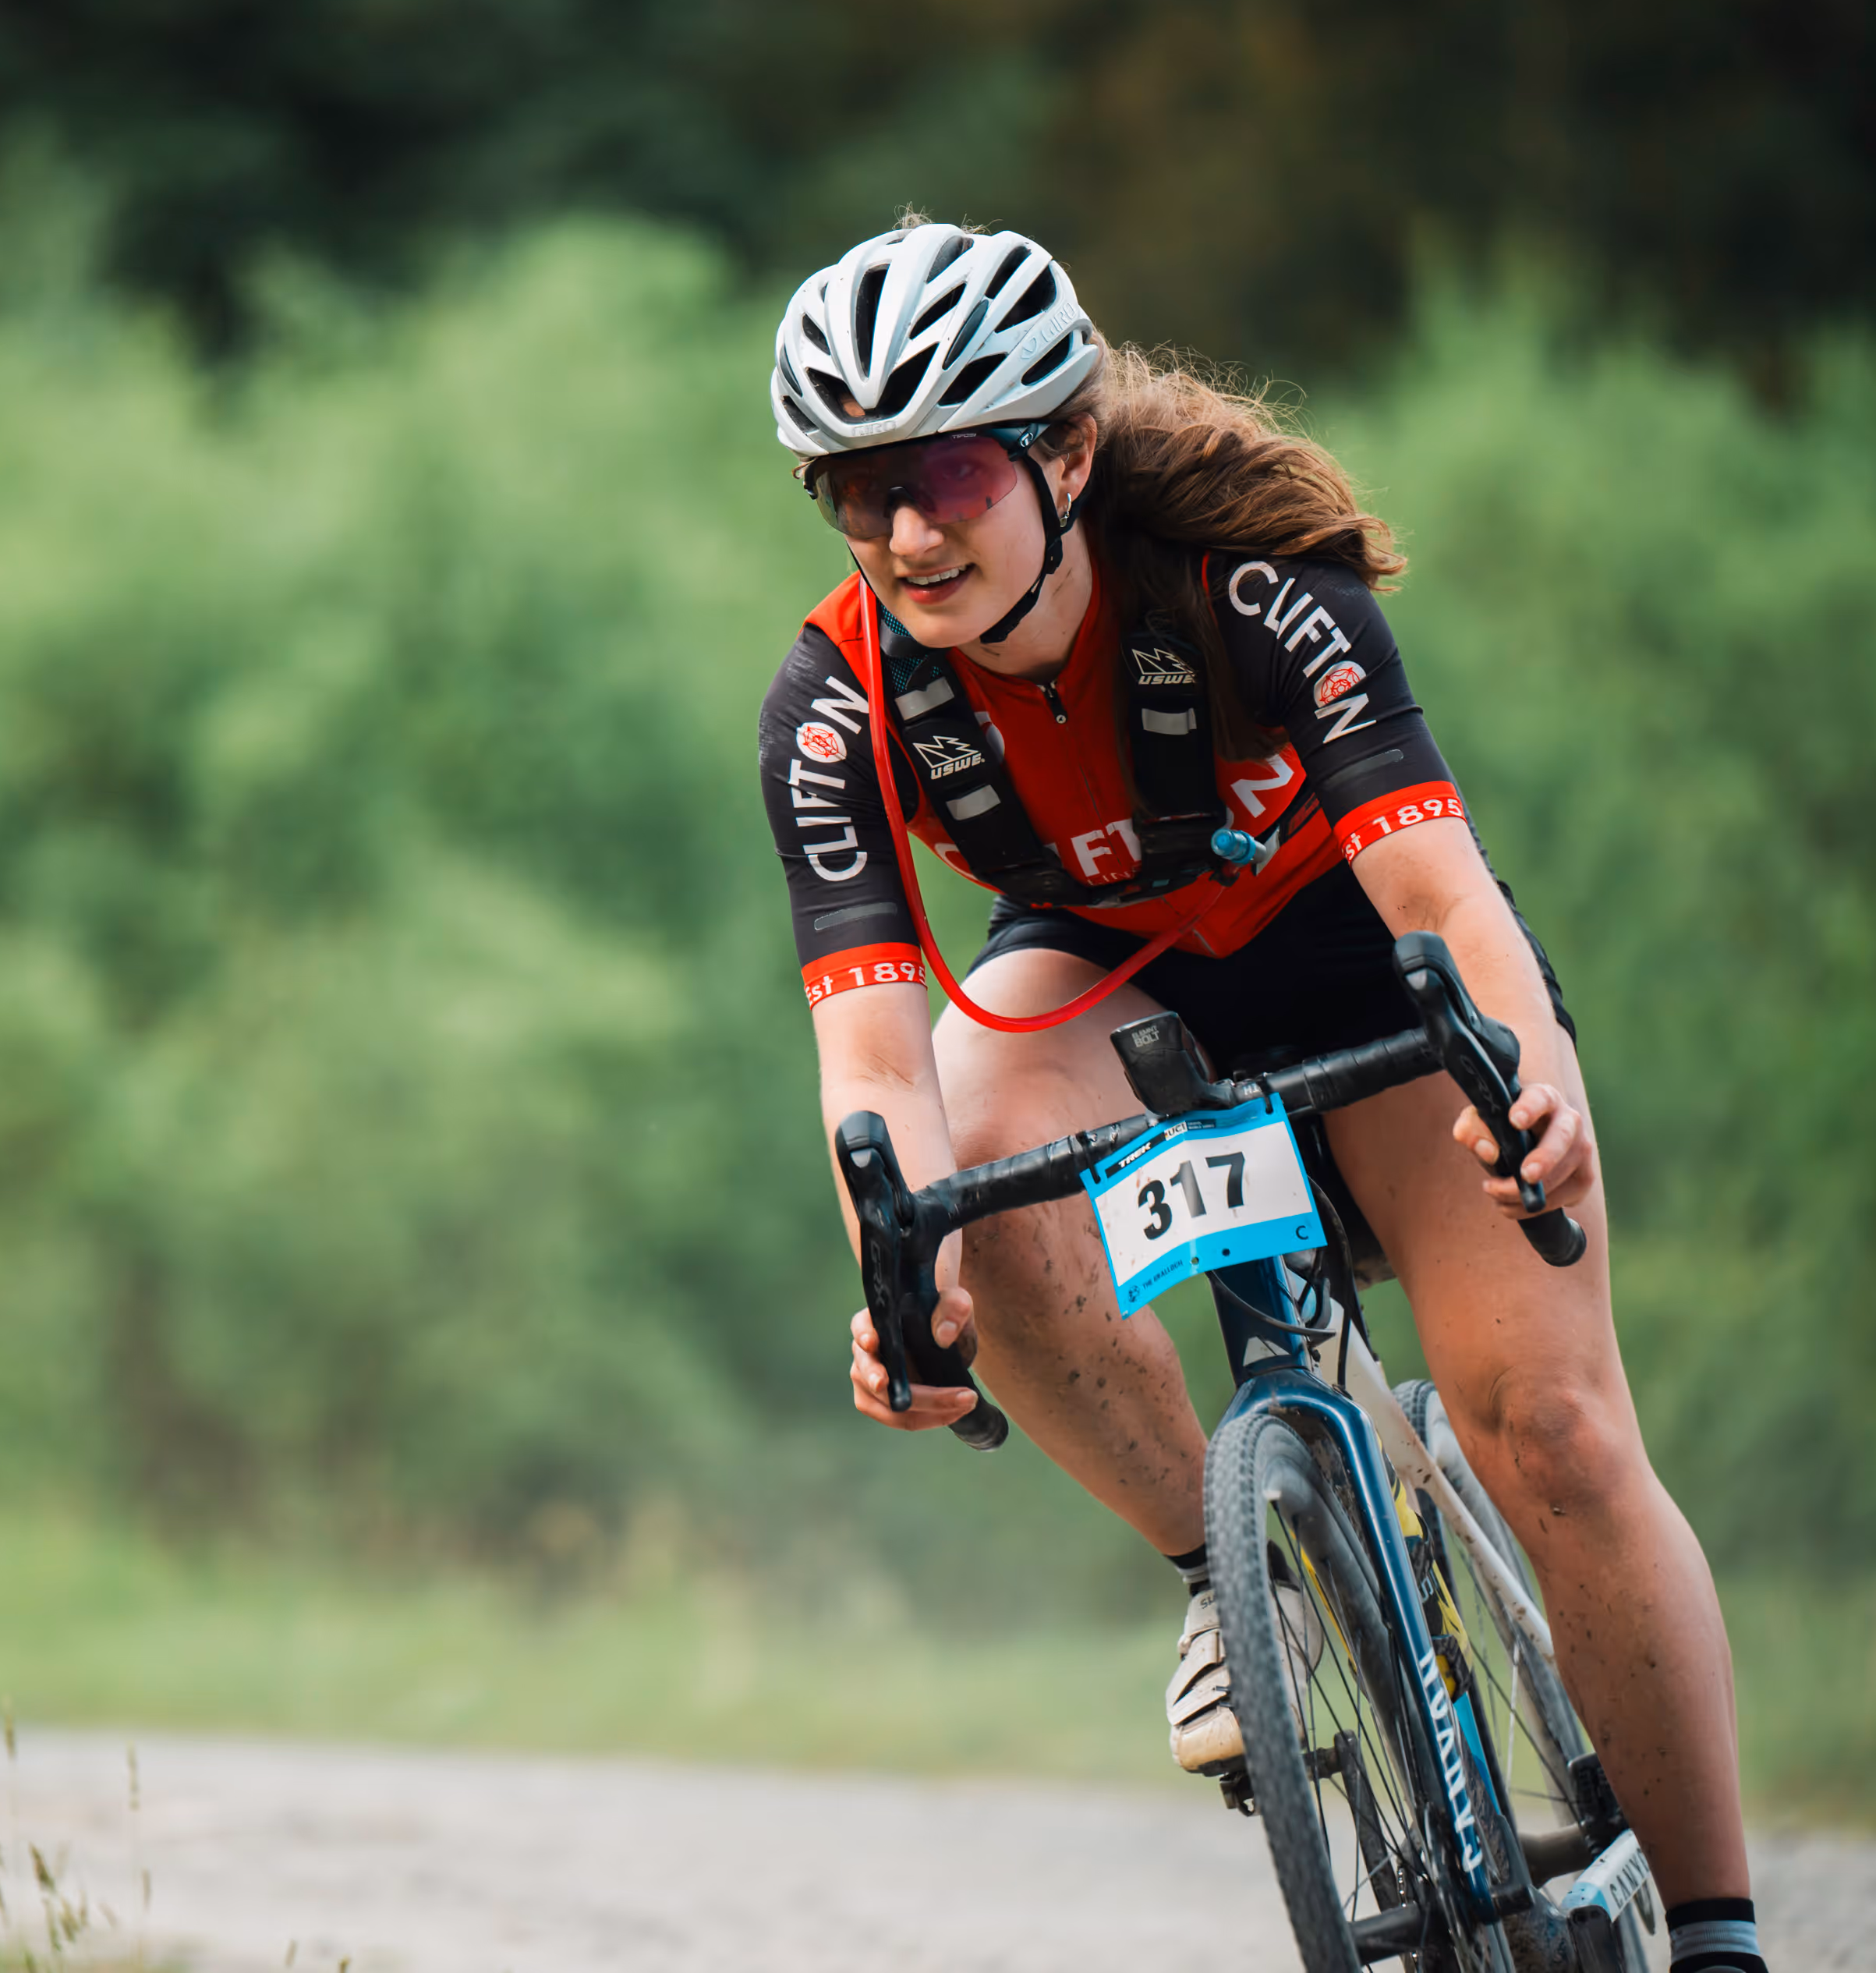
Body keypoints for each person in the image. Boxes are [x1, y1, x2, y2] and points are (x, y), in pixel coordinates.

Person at [757, 220, 1768, 1973]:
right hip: (1108, 971)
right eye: (859, 490)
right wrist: (901, 1283)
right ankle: (1235, 1578)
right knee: (963, 1184)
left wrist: (1529, 1088)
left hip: (1361, 955)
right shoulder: (833, 703)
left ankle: (1717, 1934)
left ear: (1067, 454)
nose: (909, 532)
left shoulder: (1247, 586)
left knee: (1555, 1431)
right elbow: (874, 1066)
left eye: (950, 474)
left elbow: (1441, 893)